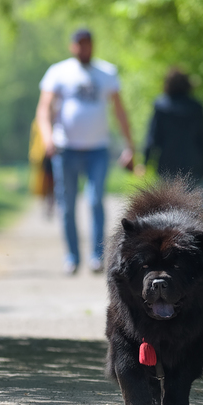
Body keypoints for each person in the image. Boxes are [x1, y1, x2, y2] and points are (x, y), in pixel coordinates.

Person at [36, 27, 136, 274]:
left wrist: (129, 145)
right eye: (80, 44)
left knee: (94, 200)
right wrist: (47, 138)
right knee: (67, 205)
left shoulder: (107, 73)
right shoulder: (58, 72)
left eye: (88, 44)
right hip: (65, 149)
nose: (84, 48)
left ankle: (97, 256)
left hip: (97, 150)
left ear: (94, 45)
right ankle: (72, 256)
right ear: (72, 46)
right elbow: (44, 109)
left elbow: (119, 110)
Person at [143, 68, 203, 193]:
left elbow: (153, 138)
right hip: (194, 165)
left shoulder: (161, 106)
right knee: (197, 207)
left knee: (170, 207)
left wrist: (145, 162)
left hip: (167, 166)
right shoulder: (196, 107)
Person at [28, 115, 56, 219]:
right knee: (44, 184)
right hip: (43, 157)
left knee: (54, 184)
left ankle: (51, 206)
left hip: (56, 155)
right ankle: (45, 206)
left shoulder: (58, 119)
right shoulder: (37, 122)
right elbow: (34, 139)